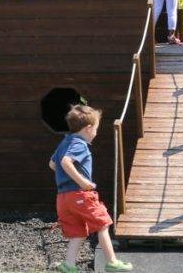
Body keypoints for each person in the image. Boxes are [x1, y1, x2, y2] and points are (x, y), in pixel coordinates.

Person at [49, 105, 132, 273]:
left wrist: (66, 177)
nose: (95, 133)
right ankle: (112, 262)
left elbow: (52, 164)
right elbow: (65, 162)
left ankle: (69, 265)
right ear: (88, 128)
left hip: (63, 198)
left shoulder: (65, 142)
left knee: (78, 232)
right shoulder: (79, 144)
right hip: (79, 194)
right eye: (96, 129)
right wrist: (82, 182)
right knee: (102, 223)